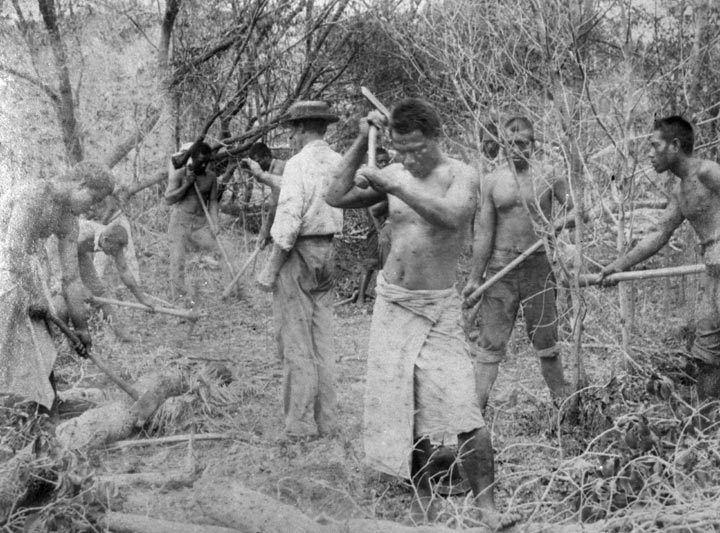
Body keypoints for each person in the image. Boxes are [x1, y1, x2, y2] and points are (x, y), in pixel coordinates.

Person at [326, 98, 512, 528]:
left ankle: (488, 507)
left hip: (437, 306)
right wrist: (359, 141)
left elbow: (452, 217)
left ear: (436, 137)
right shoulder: (393, 173)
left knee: (464, 408)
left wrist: (394, 185)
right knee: (402, 406)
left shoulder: (461, 175)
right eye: (400, 150)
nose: (408, 159)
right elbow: (334, 195)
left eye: (416, 149)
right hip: (393, 304)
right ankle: (423, 501)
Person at [600, 116, 720, 402]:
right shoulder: (680, 191)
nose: (650, 154)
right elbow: (658, 233)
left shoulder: (709, 172)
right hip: (715, 276)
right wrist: (618, 266)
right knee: (707, 355)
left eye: (655, 146)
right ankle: (705, 434)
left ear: (675, 145)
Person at [462, 116, 571, 413]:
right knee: (488, 346)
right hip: (500, 270)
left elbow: (578, 210)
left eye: (522, 143)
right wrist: (475, 277)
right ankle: (473, 417)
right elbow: (484, 232)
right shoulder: (493, 181)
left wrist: (555, 225)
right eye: (509, 143)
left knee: (546, 342)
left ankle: (564, 412)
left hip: (538, 267)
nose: (515, 149)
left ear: (533, 145)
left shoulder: (550, 175)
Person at [253, 101, 343, 440]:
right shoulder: (337, 162)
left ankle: (300, 424)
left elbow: (288, 222)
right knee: (323, 341)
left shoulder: (297, 164)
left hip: (300, 253)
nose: (291, 136)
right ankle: (328, 421)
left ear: (303, 129)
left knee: (296, 342)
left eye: (293, 130)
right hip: (328, 251)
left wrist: (270, 269)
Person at [0, 161, 115, 410]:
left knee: (42, 333)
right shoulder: (34, 194)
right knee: (16, 331)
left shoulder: (68, 219)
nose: (92, 207)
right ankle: (26, 405)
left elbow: (71, 279)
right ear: (81, 185)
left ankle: (47, 402)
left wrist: (82, 328)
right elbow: (12, 248)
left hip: (22, 266)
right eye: (93, 199)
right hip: (6, 262)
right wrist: (33, 295)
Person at [48, 220, 155, 342]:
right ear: (105, 240)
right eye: (112, 250)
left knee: (98, 291)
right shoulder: (85, 234)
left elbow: (124, 270)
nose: (113, 254)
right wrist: (80, 287)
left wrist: (142, 298)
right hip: (58, 248)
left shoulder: (113, 240)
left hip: (78, 252)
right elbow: (66, 271)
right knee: (64, 294)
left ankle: (120, 333)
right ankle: (63, 338)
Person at [164, 141, 222, 301]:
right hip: (180, 223)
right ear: (192, 158)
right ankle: (180, 300)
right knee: (177, 261)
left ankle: (234, 290)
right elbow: (168, 199)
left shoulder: (211, 177)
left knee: (224, 251)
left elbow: (213, 202)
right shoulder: (181, 173)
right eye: (200, 161)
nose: (204, 165)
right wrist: (187, 185)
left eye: (207, 162)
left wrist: (214, 222)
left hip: (200, 225)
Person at [241, 142, 286, 248]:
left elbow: (274, 207)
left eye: (258, 161)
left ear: (266, 157)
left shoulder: (277, 170)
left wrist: (265, 232)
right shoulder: (277, 166)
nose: (257, 166)